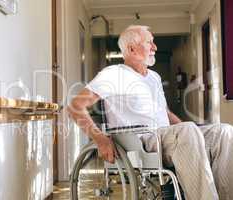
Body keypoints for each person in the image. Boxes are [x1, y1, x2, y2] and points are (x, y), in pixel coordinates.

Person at [67, 25, 233, 200]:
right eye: (149, 43)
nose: (155, 47)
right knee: (188, 131)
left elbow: (166, 113)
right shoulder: (113, 74)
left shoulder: (154, 77)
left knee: (224, 132)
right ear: (131, 49)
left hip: (166, 137)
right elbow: (75, 107)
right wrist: (100, 139)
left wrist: (188, 128)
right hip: (138, 141)